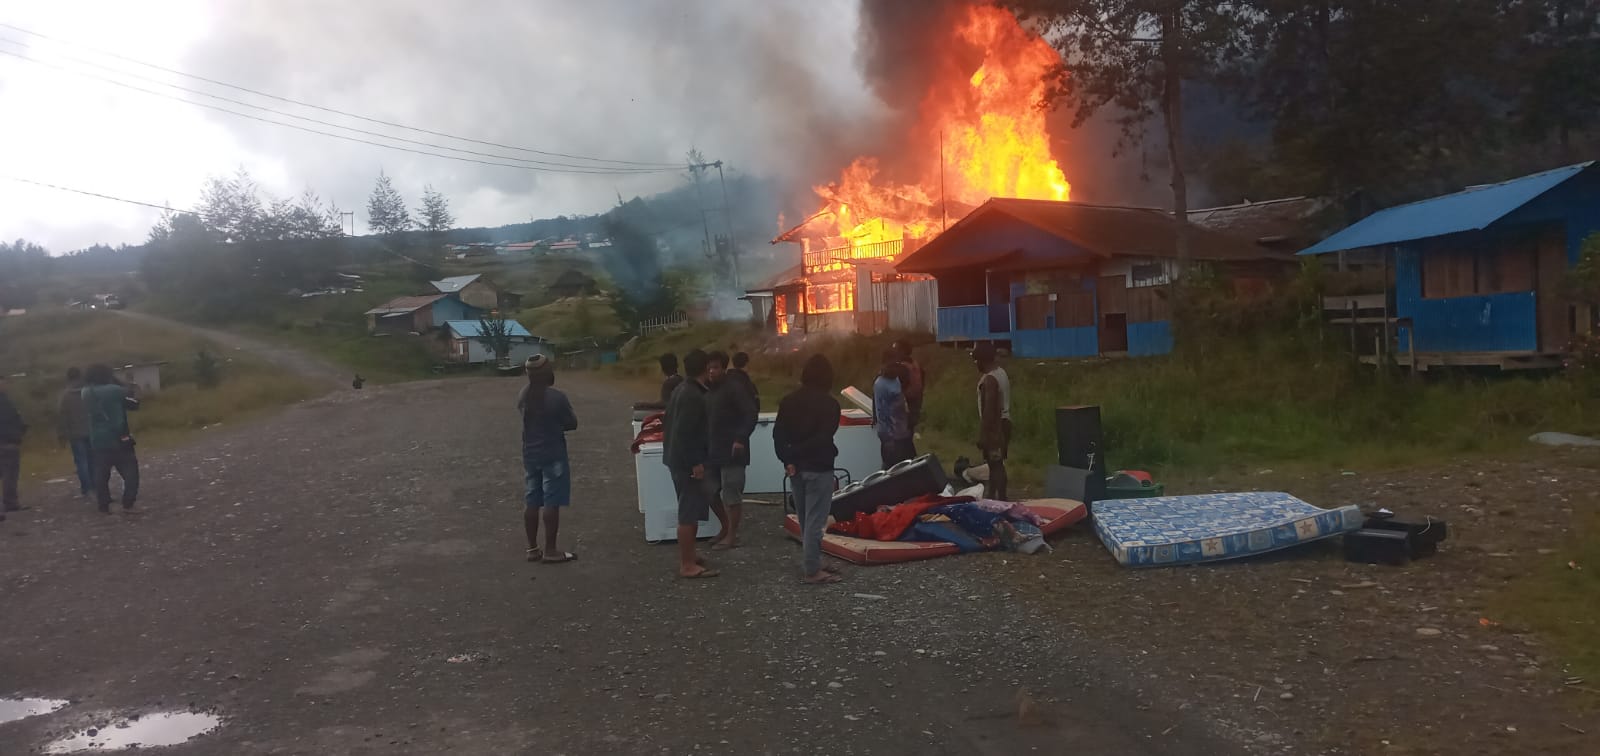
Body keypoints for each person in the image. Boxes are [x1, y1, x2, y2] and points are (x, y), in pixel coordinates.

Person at [774, 354, 843, 584]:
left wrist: (788, 459)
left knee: (805, 518)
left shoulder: (788, 400)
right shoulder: (831, 405)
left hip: (795, 468)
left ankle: (811, 560)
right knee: (816, 520)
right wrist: (796, 455)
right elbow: (824, 438)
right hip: (819, 466)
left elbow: (778, 435)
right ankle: (812, 570)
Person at [517, 354, 579, 564]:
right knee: (552, 501)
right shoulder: (556, 397)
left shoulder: (524, 394)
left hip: (530, 454)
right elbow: (572, 423)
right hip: (553, 454)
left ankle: (532, 549)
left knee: (532, 500)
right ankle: (551, 550)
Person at [663, 349, 719, 578]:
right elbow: (685, 432)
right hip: (686, 462)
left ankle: (691, 555)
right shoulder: (693, 396)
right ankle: (687, 564)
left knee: (691, 509)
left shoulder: (681, 389)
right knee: (688, 512)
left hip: (676, 458)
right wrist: (695, 462)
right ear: (706, 368)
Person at [706, 349, 757, 550]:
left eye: (715, 367)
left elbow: (750, 413)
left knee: (731, 494)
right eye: (708, 368)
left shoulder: (734, 387)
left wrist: (740, 438)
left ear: (723, 368)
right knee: (709, 491)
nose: (711, 371)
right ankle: (725, 527)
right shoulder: (709, 389)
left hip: (733, 451)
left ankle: (732, 536)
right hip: (712, 450)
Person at [82, 364, 140, 514]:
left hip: (98, 441)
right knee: (130, 472)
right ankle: (128, 502)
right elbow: (134, 404)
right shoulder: (115, 390)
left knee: (101, 475)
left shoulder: (86, 392)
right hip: (120, 438)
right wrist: (123, 384)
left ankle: (103, 505)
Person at [973, 343, 1011, 502]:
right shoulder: (1001, 372)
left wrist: (984, 434)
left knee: (996, 465)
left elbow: (989, 409)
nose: (976, 364)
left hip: (995, 427)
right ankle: (992, 496)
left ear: (982, 360)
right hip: (1005, 422)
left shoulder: (989, 379)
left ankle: (1001, 499)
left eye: (976, 361)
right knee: (995, 464)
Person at [872, 350, 915, 469]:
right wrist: (888, 439)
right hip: (891, 436)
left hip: (901, 432)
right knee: (891, 469)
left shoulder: (894, 380)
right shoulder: (881, 383)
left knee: (905, 467)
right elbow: (882, 412)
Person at [57, 367, 93, 498]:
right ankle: (95, 486)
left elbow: (62, 417)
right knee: (92, 460)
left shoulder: (65, 395)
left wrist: (61, 436)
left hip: (75, 434)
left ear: (68, 378)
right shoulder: (89, 390)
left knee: (81, 461)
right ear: (81, 375)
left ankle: (86, 489)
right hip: (92, 431)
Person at [0, 373, 26, 518]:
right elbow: (13, 419)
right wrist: (18, 433)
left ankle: (8, 503)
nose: (5, 386)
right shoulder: (5, 402)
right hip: (8, 442)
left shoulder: (6, 400)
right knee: (10, 475)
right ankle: (10, 502)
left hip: (7, 441)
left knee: (8, 475)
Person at [893, 340, 926, 435]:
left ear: (902, 350)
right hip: (917, 399)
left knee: (902, 429)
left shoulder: (901, 366)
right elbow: (922, 379)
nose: (895, 352)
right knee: (910, 427)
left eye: (897, 349)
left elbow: (899, 385)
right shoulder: (916, 364)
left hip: (906, 401)